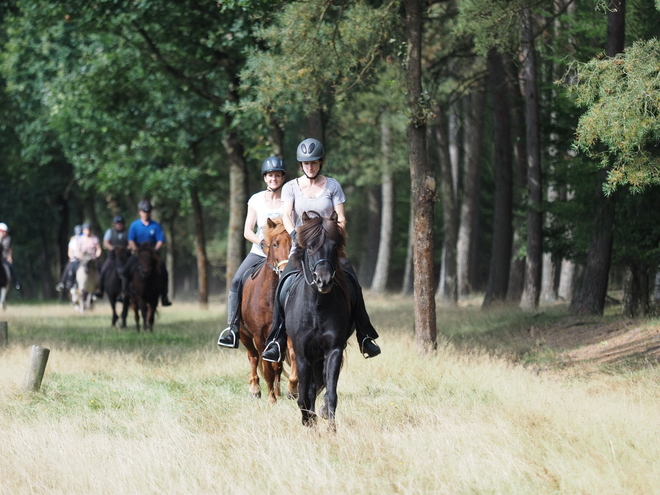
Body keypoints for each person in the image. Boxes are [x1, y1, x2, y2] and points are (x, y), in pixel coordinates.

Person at [261, 138, 381, 362]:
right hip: (301, 249)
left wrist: (333, 237)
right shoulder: (290, 188)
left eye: (313, 163)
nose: (310, 167)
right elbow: (287, 215)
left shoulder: (333, 186)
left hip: (328, 249)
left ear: (321, 163)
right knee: (282, 288)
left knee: (353, 282)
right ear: (301, 165)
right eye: (306, 164)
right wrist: (296, 235)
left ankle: (365, 335)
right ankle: (277, 339)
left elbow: (341, 217)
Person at [218, 156, 287, 348]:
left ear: (282, 177)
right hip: (259, 253)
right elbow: (247, 231)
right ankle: (232, 328)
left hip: (283, 255)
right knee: (237, 281)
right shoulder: (256, 200)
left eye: (277, 175)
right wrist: (261, 242)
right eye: (270, 175)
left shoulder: (289, 201)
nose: (274, 179)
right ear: (265, 177)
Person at [121, 200, 172, 306]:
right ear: (140, 212)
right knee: (126, 270)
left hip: (152, 254)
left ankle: (164, 296)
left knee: (163, 270)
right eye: (144, 211)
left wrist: (155, 250)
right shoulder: (134, 225)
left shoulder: (156, 226)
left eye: (148, 211)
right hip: (139, 253)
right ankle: (124, 293)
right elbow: (131, 240)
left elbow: (160, 240)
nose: (146, 213)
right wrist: (136, 250)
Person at [94, 215, 128, 299]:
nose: (119, 225)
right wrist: (113, 249)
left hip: (125, 256)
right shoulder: (110, 232)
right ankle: (100, 289)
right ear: (115, 224)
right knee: (103, 270)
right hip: (113, 256)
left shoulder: (128, 232)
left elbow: (131, 241)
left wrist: (127, 248)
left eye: (121, 223)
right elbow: (106, 242)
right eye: (118, 223)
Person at [55, 225, 82, 292]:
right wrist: (72, 257)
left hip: (84, 258)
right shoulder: (73, 240)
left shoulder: (85, 239)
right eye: (78, 232)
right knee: (68, 268)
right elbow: (70, 252)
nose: (79, 234)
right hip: (75, 259)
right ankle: (63, 282)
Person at [0, 222, 21, 290]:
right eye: (4, 232)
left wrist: (9, 257)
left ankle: (16, 282)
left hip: (3, 258)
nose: (6, 233)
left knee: (10, 267)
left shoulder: (7, 239)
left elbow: (9, 248)